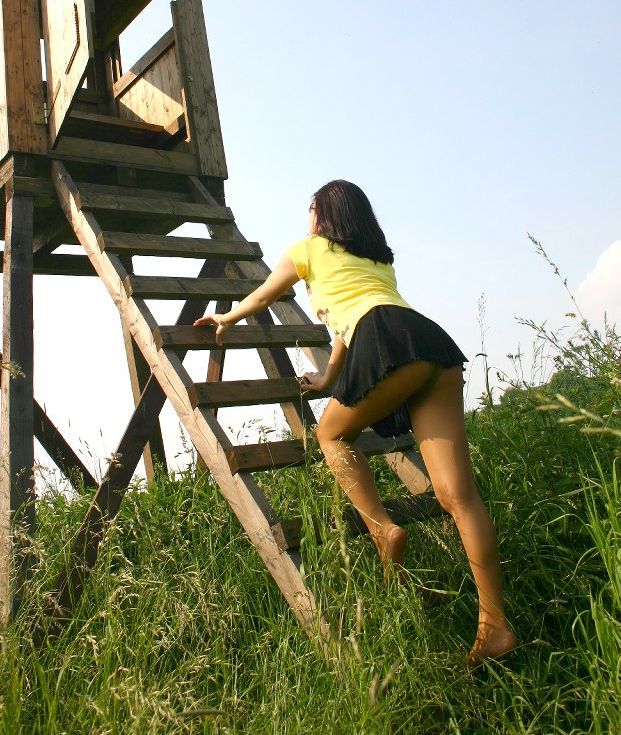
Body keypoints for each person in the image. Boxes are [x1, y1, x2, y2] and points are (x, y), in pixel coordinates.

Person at [194, 179, 516, 663]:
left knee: (329, 433)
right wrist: (328, 377)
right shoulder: (376, 257)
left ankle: (382, 528)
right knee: (458, 496)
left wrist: (227, 318)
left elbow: (263, 297)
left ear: (321, 213)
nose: (307, 216)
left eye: (310, 208)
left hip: (386, 339)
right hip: (430, 343)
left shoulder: (305, 250)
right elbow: (347, 324)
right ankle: (496, 625)